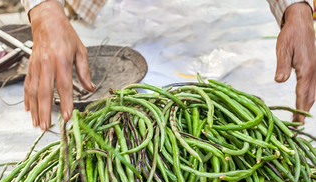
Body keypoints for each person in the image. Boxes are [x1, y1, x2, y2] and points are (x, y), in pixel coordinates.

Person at [21, 0, 316, 130]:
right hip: (112, 13)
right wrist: (45, 10)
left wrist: (297, 8)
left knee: (208, 118)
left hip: (211, 19)